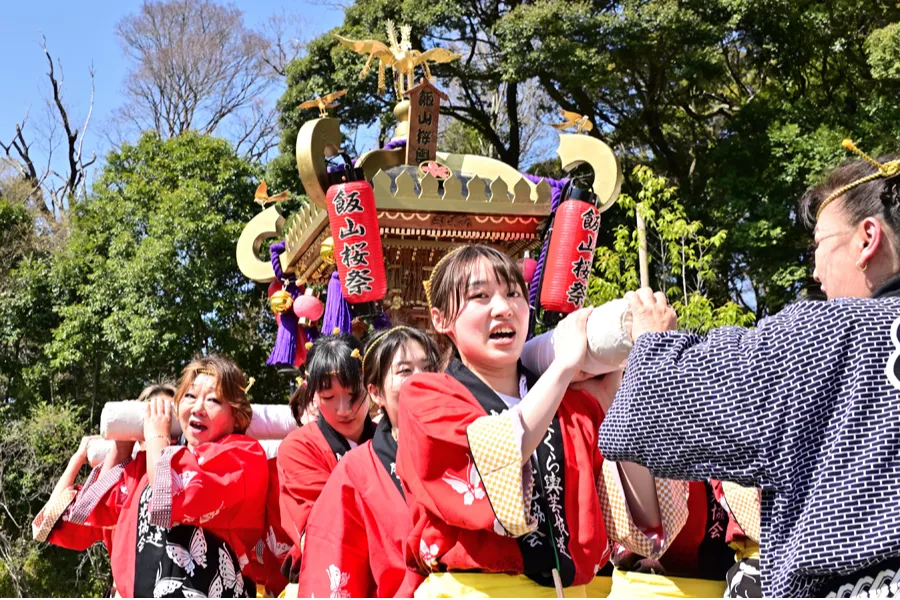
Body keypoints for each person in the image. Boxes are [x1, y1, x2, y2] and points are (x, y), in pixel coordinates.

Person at [599, 143, 900, 597]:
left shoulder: (831, 336)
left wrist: (652, 342)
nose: (815, 271)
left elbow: (653, 409)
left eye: (819, 245)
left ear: (867, 239)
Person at [395, 244, 616, 597]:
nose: (504, 308)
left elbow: (629, 510)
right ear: (441, 319)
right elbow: (495, 454)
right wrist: (562, 368)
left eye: (514, 293)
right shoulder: (425, 395)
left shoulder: (571, 404)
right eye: (480, 296)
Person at [33, 356, 267, 598]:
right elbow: (85, 514)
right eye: (190, 396)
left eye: (214, 400)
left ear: (237, 416)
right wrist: (119, 449)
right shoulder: (142, 468)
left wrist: (157, 438)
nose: (198, 408)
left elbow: (170, 494)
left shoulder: (241, 453)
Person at [297, 326, 441, 598]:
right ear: (375, 392)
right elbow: (332, 559)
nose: (422, 379)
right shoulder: (355, 470)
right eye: (405, 371)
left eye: (429, 367)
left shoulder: (468, 443)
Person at [276, 334, 376, 586]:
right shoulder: (299, 447)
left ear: (371, 386)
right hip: (331, 574)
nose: (344, 409)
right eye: (328, 398)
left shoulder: (390, 439)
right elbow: (325, 527)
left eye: (354, 393)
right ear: (312, 395)